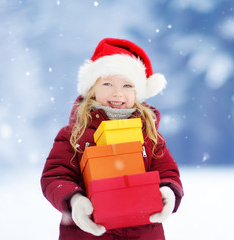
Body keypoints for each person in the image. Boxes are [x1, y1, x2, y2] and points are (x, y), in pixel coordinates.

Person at [41, 38, 183, 240]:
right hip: (87, 234)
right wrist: (75, 200)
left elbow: (167, 172)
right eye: (108, 83)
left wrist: (168, 191)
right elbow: (55, 176)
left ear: (138, 93)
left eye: (127, 85)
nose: (117, 93)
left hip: (142, 233)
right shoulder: (73, 134)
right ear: (92, 88)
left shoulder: (150, 135)